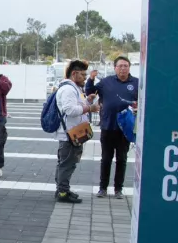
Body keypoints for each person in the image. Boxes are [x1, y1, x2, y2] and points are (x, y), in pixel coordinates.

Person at [85, 57, 139, 199]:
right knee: (106, 159)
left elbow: (143, 100)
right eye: (120, 66)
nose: (123, 68)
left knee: (122, 159)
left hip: (125, 128)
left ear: (129, 67)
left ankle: (118, 189)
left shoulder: (136, 83)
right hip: (108, 126)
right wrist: (91, 79)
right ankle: (102, 188)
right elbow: (90, 91)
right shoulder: (106, 82)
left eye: (126, 66)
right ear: (115, 68)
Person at [55, 60, 99, 203]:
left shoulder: (74, 88)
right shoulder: (68, 89)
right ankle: (62, 192)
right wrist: (90, 108)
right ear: (74, 73)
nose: (85, 77)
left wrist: (87, 100)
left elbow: (76, 105)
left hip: (73, 133)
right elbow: (70, 110)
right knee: (67, 164)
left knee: (67, 163)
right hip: (70, 134)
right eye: (83, 74)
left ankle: (63, 189)